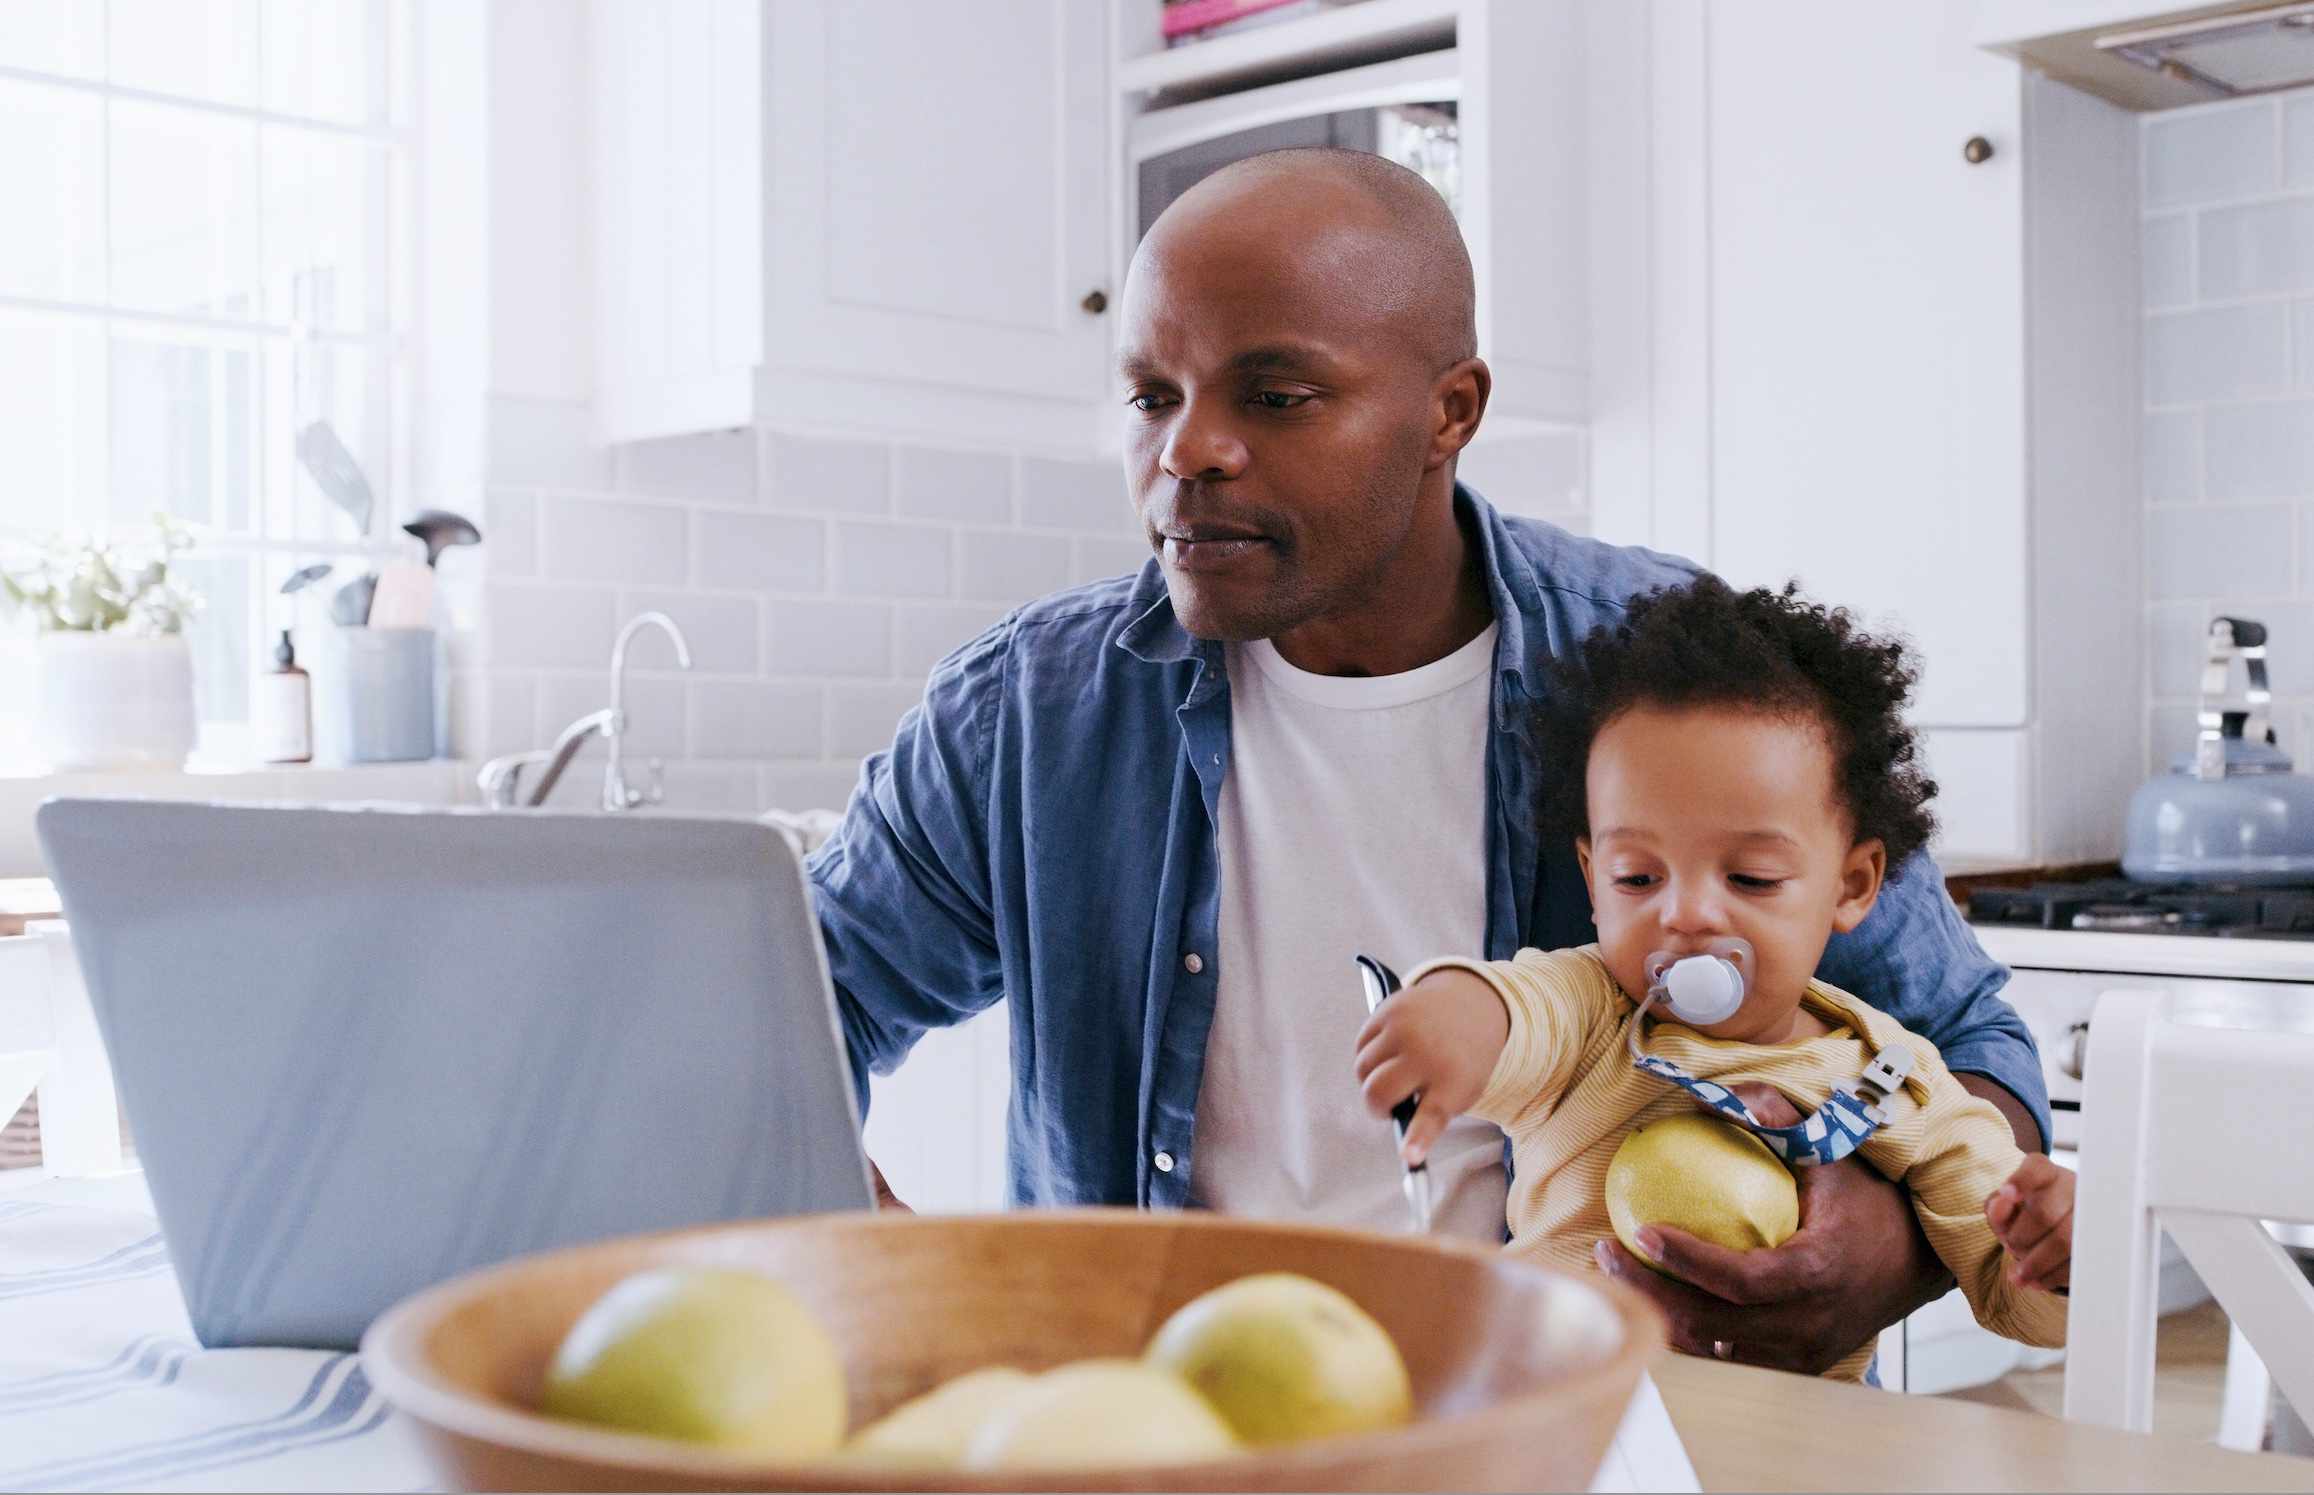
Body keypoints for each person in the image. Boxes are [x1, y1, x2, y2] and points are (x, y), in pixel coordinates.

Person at [805, 146, 2051, 1374]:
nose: (1187, 452)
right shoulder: (1029, 712)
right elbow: (806, 998)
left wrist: (1889, 1250)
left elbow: (1966, 1044)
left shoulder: (1671, 682)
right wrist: (854, 1228)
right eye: (1151, 397)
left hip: (1586, 1419)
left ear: (1449, 411)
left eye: (1275, 395)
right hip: (1157, 1426)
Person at [1349, 577, 2074, 1379]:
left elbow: (2018, 1299)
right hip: (1573, 1431)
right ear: (1591, 878)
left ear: (1854, 884)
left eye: (1752, 878)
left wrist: (2056, 1248)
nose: (1687, 914)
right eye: (1637, 877)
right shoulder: (1591, 1014)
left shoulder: (1896, 1080)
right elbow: (1517, 1013)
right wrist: (1453, 1013)